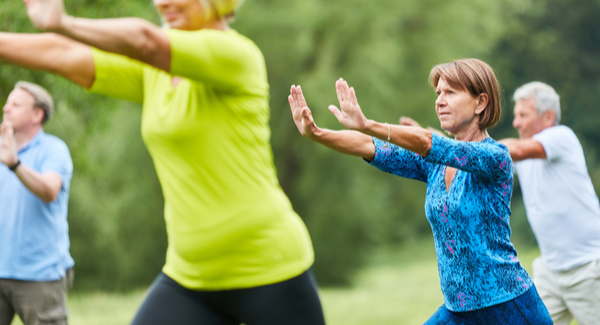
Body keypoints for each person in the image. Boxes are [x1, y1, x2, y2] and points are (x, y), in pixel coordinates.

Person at [0, 0, 326, 324]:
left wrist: (64, 22)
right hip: (190, 274)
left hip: (268, 267)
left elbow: (145, 40)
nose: (162, 2)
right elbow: (65, 55)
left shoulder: (236, 55)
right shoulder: (154, 72)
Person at [289, 59, 553, 324]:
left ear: (481, 102)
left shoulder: (495, 157)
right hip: (458, 311)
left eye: (450, 92)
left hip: (509, 307)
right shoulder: (435, 165)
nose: (439, 100)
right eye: (438, 93)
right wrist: (317, 134)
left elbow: (428, 142)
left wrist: (368, 123)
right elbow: (370, 146)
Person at [499, 82, 600, 325]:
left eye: (523, 115)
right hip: (550, 273)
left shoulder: (560, 137)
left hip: (589, 269)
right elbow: (481, 162)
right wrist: (437, 145)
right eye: (516, 116)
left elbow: (517, 150)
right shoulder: (521, 153)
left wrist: (469, 147)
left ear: (548, 117)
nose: (516, 123)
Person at [0, 81, 74, 325]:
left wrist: (14, 164)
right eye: (7, 103)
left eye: (15, 104)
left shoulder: (54, 149)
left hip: (40, 276)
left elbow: (49, 190)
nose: (6, 108)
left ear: (37, 114)